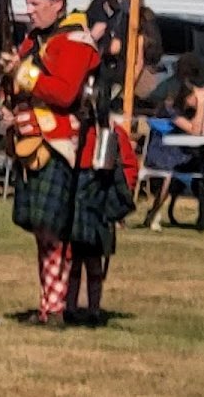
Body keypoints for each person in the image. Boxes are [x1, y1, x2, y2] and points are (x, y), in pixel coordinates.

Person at [0, 0, 99, 327]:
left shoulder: (74, 40)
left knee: (53, 230)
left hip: (58, 145)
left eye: (36, 3)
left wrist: (22, 73)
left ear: (58, 3)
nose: (29, 9)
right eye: (27, 1)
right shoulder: (33, 41)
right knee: (42, 230)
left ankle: (55, 308)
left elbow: (63, 92)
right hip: (30, 141)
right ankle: (48, 304)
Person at [67, 121, 137, 326]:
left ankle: (94, 310)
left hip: (100, 200)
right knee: (73, 260)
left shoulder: (113, 132)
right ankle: (70, 307)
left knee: (94, 261)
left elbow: (128, 168)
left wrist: (117, 203)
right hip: (75, 197)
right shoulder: (71, 126)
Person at [142, 53, 204, 232]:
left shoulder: (194, 110)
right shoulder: (171, 108)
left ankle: (203, 218)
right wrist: (202, 105)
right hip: (163, 151)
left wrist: (203, 108)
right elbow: (195, 131)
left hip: (184, 154)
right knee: (167, 175)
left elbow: (202, 131)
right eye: (194, 98)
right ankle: (153, 213)